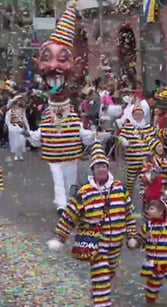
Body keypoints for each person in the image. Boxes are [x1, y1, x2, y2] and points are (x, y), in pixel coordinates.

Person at [26, 2, 109, 215]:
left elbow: (80, 132)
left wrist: (94, 136)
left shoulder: (70, 111)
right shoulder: (47, 112)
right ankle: (62, 203)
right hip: (55, 152)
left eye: (62, 59)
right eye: (47, 58)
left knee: (71, 177)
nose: (54, 65)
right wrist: (31, 134)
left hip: (69, 152)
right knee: (57, 178)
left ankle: (70, 202)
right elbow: (40, 135)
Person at [47, 140, 138, 307]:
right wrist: (60, 237)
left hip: (116, 245)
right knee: (101, 278)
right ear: (93, 170)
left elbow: (129, 214)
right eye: (98, 167)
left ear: (108, 168)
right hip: (96, 245)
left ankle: (99, 296)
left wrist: (132, 235)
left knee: (107, 275)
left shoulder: (119, 188)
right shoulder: (85, 192)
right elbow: (69, 215)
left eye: (104, 166)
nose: (102, 170)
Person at [140, 137, 167, 221]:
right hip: (150, 194)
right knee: (149, 215)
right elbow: (143, 177)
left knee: (162, 214)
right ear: (154, 148)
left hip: (162, 193)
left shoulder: (166, 161)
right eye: (159, 146)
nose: (161, 148)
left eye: (161, 146)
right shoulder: (148, 162)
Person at [5, 94, 29, 161]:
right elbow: (7, 119)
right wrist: (10, 126)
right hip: (14, 128)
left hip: (21, 127)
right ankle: (16, 154)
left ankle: (20, 154)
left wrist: (27, 126)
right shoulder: (10, 110)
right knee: (15, 142)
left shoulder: (22, 110)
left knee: (21, 142)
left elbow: (24, 118)